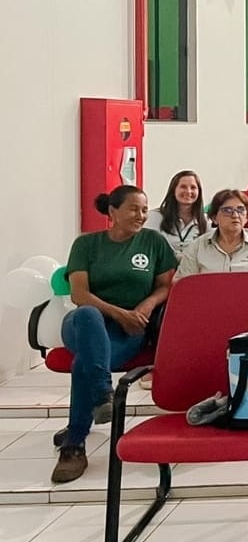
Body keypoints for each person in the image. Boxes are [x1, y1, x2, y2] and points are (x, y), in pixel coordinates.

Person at [52, 186, 177, 483]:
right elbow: (80, 295)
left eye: (144, 209)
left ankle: (75, 442)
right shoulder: (86, 244)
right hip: (84, 324)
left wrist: (145, 306)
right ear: (112, 212)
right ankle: (102, 394)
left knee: (83, 362)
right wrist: (121, 313)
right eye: (133, 209)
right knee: (88, 314)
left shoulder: (153, 242)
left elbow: (165, 286)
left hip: (129, 330)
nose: (141, 215)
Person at [145, 170, 208, 256]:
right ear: (173, 190)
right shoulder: (154, 217)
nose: (188, 191)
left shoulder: (206, 221)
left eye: (193, 187)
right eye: (183, 187)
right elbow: (148, 247)